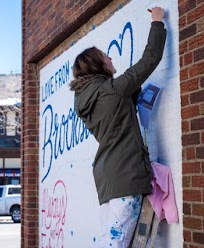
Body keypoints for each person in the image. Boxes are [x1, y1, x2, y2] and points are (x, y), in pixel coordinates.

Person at [69, 7, 167, 248]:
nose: (111, 59)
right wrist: (157, 21)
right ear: (98, 65)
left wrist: (131, 96)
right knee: (115, 244)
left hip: (107, 178)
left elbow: (116, 114)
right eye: (106, 56)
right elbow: (150, 60)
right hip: (125, 177)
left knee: (109, 240)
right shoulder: (112, 90)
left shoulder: (86, 99)